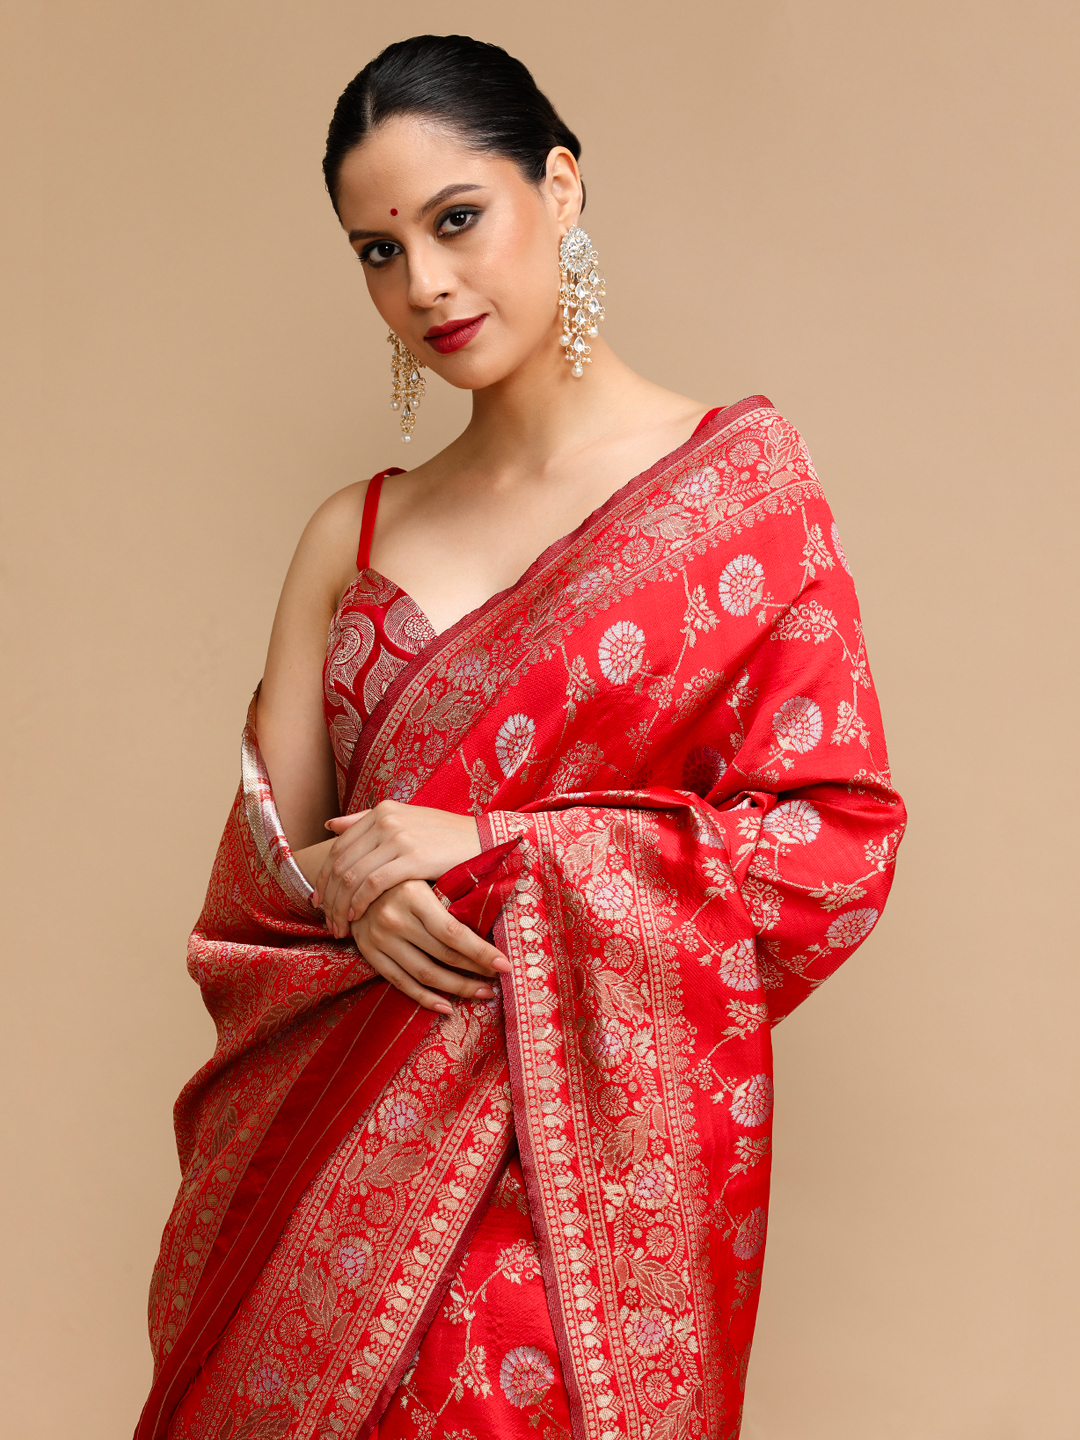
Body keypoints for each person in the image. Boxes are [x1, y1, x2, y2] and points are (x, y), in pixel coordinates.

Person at [136, 34, 905, 1440]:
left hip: (572, 1218)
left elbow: (831, 852)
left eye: (456, 219)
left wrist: (495, 849)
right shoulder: (352, 534)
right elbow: (262, 905)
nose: (423, 284)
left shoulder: (737, 501)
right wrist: (352, 883)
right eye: (378, 252)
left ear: (559, 185)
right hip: (320, 1200)